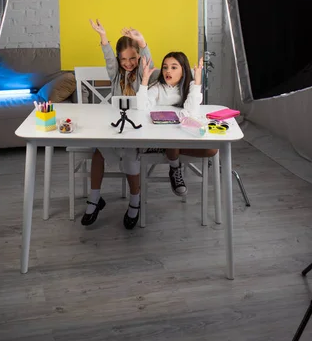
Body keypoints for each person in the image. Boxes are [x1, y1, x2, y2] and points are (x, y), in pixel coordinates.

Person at [81, 19, 153, 230]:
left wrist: (142, 42)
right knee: (98, 153)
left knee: (131, 158)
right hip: (114, 127)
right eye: (124, 59)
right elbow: (108, 58)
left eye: (132, 58)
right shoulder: (115, 75)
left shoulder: (142, 73)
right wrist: (103, 37)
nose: (128, 63)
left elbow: (148, 60)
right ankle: (95, 199)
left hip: (136, 129)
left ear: (138, 57)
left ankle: (135, 200)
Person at [136, 51, 217, 197]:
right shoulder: (158, 87)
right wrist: (145, 80)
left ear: (183, 70)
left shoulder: (190, 87)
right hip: (162, 134)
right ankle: (174, 167)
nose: (168, 71)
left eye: (174, 67)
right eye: (165, 67)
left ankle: (169, 152)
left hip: (181, 134)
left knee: (212, 150)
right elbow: (142, 107)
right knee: (172, 140)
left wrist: (197, 82)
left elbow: (191, 110)